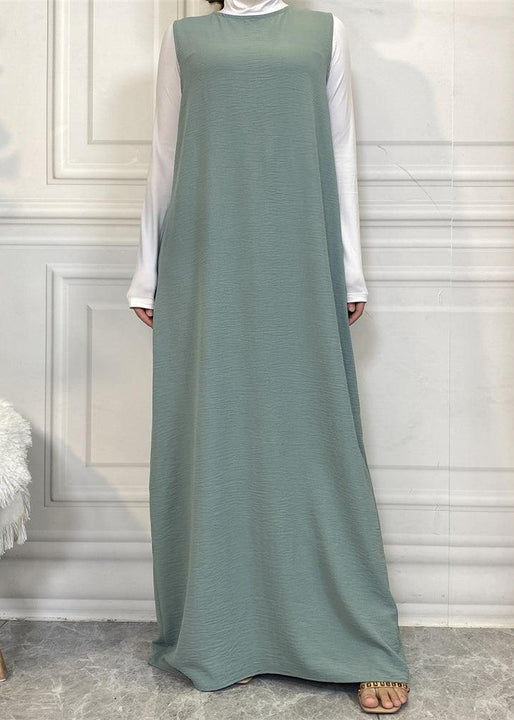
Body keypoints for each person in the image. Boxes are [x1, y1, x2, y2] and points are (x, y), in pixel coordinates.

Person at [127, 0, 410, 713]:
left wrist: (351, 271)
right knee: (215, 442)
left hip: (299, 255)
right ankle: (229, 633)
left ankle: (355, 638)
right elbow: (164, 154)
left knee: (314, 441)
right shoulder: (184, 39)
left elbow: (340, 154)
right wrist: (146, 269)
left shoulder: (325, 32)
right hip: (204, 260)